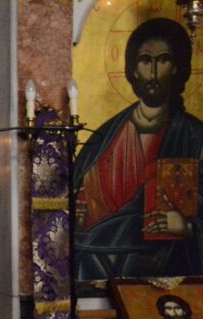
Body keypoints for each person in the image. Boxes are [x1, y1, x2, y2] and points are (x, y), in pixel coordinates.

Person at [73, 18, 203, 280]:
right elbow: (77, 198)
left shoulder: (194, 136)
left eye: (163, 60)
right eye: (145, 61)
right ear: (133, 69)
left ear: (177, 68)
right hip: (98, 267)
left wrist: (188, 227)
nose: (153, 72)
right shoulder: (105, 136)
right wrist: (77, 216)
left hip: (170, 269)